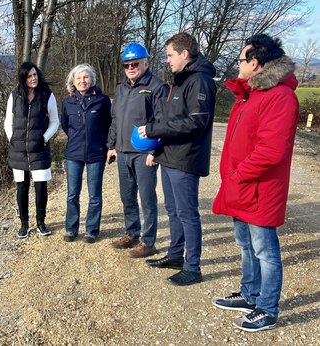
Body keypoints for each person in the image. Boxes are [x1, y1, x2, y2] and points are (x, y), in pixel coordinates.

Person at [211, 34, 299, 332]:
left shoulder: (280, 96)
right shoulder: (249, 93)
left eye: (240, 59)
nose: (237, 64)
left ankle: (267, 308)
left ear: (255, 63)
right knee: (246, 245)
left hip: (259, 188)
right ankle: (250, 295)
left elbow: (271, 150)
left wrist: (238, 175)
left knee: (265, 250)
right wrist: (233, 178)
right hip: (240, 186)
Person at [137, 32, 216, 286]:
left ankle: (192, 267)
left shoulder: (200, 81)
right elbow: (169, 119)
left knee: (187, 214)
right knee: (172, 211)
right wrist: (156, 149)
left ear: (185, 54)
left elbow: (196, 122)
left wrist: (153, 130)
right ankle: (175, 255)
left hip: (186, 159)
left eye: (170, 55)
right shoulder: (180, 81)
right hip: (169, 157)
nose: (167, 60)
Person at [107, 43, 168, 258]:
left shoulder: (157, 87)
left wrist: (156, 152)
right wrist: (112, 145)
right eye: (127, 64)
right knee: (127, 196)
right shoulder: (121, 87)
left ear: (146, 62)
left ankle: (148, 241)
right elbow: (115, 119)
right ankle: (132, 233)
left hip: (144, 154)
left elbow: (163, 122)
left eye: (135, 63)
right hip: (123, 152)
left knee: (147, 197)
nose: (131, 68)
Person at [4, 62, 59, 239]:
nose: (33, 78)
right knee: (22, 187)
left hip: (39, 149)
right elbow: (8, 121)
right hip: (18, 150)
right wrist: (13, 139)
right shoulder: (14, 96)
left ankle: (41, 222)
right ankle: (24, 224)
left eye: (35, 74)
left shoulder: (47, 95)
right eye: (29, 76)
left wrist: (44, 138)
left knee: (41, 187)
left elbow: (55, 121)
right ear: (23, 78)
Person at [60, 64, 112, 243]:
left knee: (94, 195)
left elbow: (108, 125)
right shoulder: (67, 101)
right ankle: (71, 229)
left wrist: (106, 145)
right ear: (73, 82)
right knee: (72, 194)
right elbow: (66, 126)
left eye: (86, 77)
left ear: (92, 80)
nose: (82, 81)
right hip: (73, 154)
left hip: (96, 153)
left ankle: (92, 230)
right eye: (78, 78)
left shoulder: (103, 100)